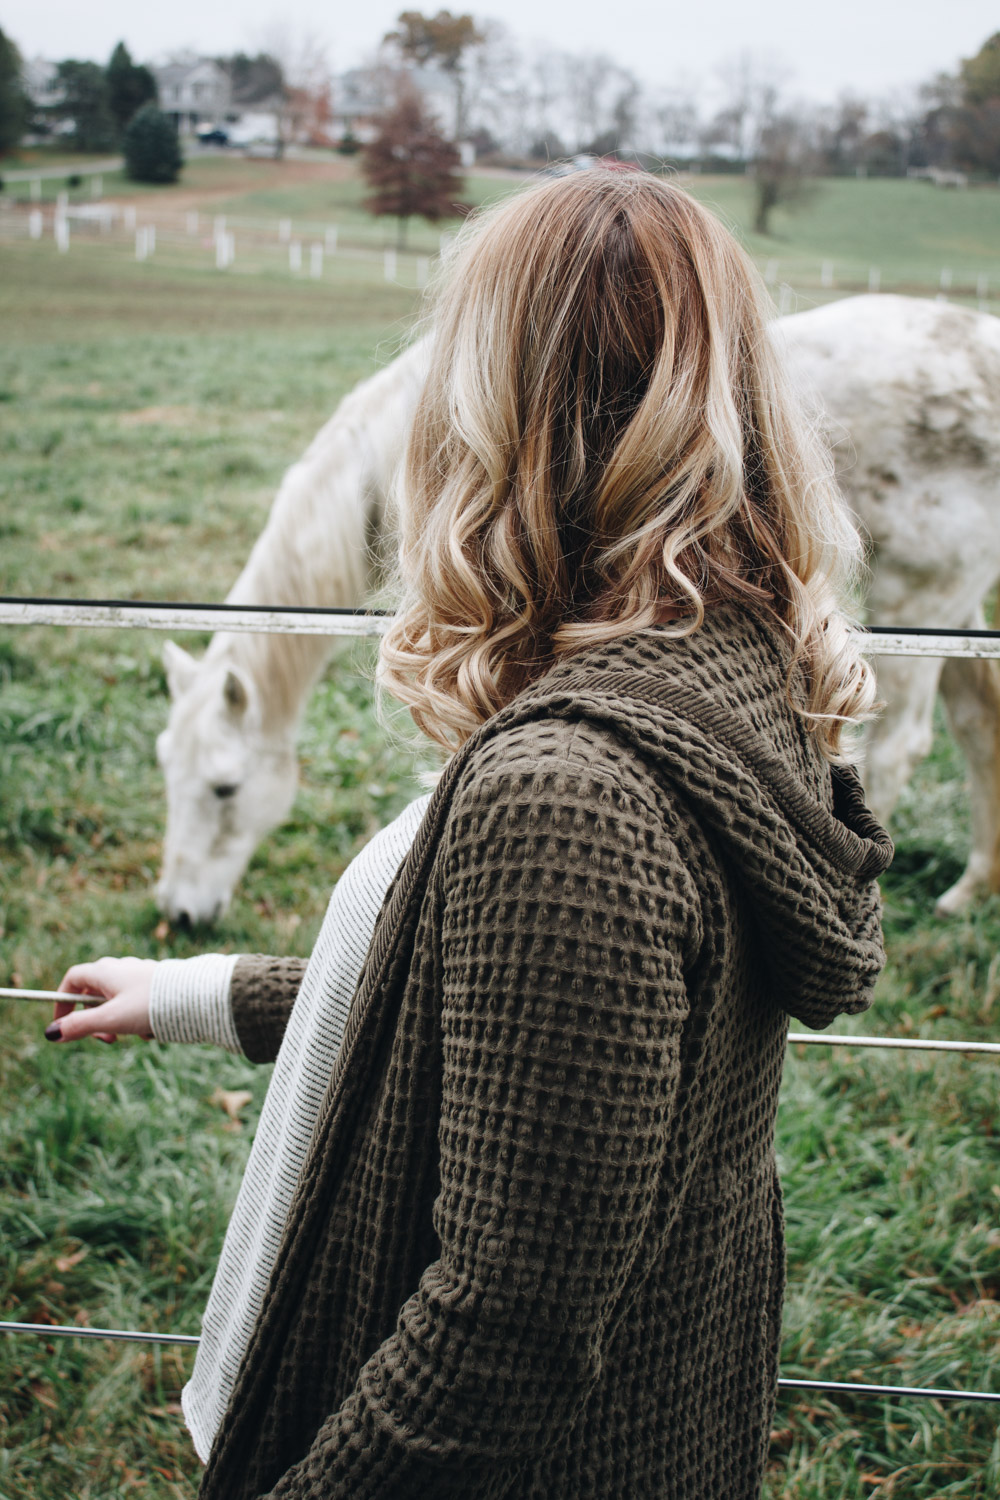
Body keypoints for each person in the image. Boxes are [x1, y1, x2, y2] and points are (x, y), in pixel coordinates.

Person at [48, 170, 892, 1500]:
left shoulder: (572, 794)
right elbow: (546, 1037)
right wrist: (201, 995)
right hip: (664, 1408)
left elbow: (504, 1330)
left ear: (502, 410)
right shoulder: (728, 664)